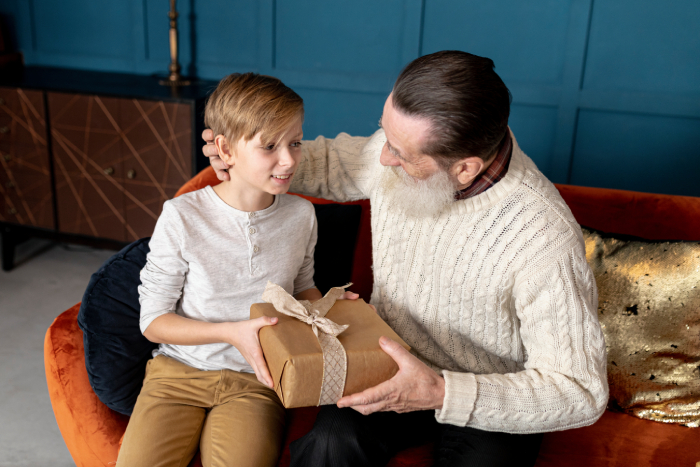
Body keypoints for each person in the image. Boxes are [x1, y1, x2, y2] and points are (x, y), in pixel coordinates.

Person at [203, 51, 609, 467]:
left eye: (399, 153)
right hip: (387, 361)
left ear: (465, 169)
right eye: (384, 135)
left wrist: (440, 392)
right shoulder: (401, 149)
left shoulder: (543, 236)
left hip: (493, 394)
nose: (382, 158)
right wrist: (244, 157)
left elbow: (579, 390)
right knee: (329, 445)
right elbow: (326, 164)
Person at [117, 72, 358, 467]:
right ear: (225, 149)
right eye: (270, 146)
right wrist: (231, 333)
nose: (290, 159)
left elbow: (302, 288)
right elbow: (153, 320)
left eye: (295, 142)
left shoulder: (301, 215)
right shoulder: (182, 216)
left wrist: (329, 309)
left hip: (258, 379)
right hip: (177, 373)